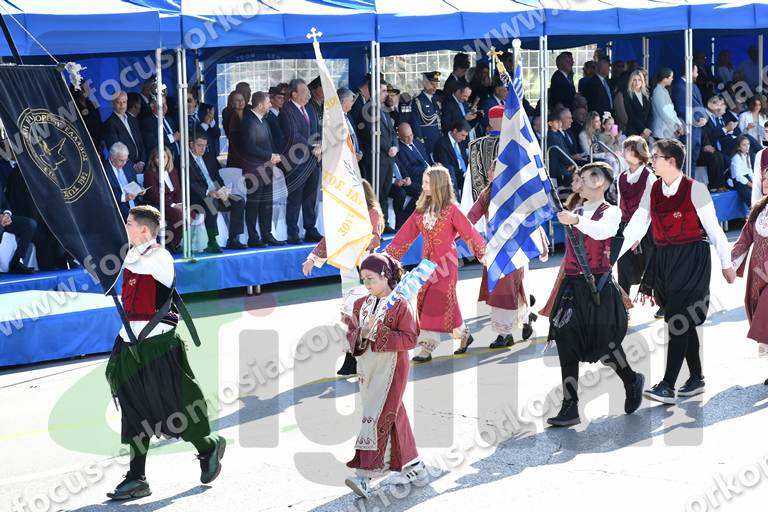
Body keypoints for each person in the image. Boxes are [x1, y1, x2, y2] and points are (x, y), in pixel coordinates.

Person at [104, 205, 225, 500]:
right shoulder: (132, 255)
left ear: (144, 229)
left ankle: (208, 446)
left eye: (129, 223)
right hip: (131, 344)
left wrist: (99, 248)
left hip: (158, 346)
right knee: (134, 410)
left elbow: (123, 262)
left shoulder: (158, 257)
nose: (125, 228)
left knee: (175, 407)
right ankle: (137, 477)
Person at [620, 139, 736, 404]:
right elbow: (638, 222)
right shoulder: (653, 189)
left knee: (677, 319)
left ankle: (667, 385)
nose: (652, 161)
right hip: (664, 259)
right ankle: (696, 378)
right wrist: (617, 253)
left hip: (692, 258)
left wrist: (726, 264)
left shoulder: (696, 190)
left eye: (656, 157)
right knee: (681, 319)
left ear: (671, 161)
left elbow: (714, 229)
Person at [547, 162, 645, 427]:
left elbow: (604, 231)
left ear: (603, 183)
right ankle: (570, 406)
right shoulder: (574, 211)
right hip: (572, 288)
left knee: (606, 347)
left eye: (590, 176)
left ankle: (631, 380)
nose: (581, 180)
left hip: (598, 288)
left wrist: (576, 220)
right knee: (566, 343)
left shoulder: (611, 211)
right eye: (580, 177)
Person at [342, 253, 427, 498]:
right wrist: (361, 333)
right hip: (367, 368)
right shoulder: (360, 304)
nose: (366, 283)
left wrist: (378, 333)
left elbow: (410, 338)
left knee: (376, 415)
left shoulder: (400, 304)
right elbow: (351, 334)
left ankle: (364, 475)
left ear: (385, 276)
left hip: (392, 368)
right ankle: (414, 465)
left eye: (371, 278)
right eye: (363, 279)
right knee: (392, 413)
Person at [384, 166, 486, 362]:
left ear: (438, 185)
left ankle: (427, 347)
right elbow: (405, 235)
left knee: (435, 301)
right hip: (426, 266)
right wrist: (388, 256)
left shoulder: (452, 210)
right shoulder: (420, 211)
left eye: (427, 183)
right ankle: (464, 334)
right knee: (440, 302)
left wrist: (482, 252)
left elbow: (469, 232)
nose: (423, 186)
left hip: (446, 264)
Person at [303, 180, 384, 376]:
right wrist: (312, 258)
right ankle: (354, 356)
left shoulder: (372, 212)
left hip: (365, 269)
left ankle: (355, 356)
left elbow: (375, 238)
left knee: (360, 313)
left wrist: (357, 237)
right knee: (350, 312)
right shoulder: (345, 214)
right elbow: (331, 238)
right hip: (348, 270)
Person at [465, 161, 548, 350]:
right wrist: (457, 232)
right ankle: (518, 324)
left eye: (492, 169)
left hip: (514, 250)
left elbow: (531, 218)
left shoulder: (517, 193)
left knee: (510, 290)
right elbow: (470, 218)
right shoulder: (486, 194)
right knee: (504, 291)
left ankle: (507, 332)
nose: (488, 171)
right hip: (495, 251)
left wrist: (540, 240)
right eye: (490, 168)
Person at [731, 182, 768, 384]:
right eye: (765, 179)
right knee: (762, 317)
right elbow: (745, 239)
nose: (766, 183)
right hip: (758, 274)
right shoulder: (758, 209)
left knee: (765, 314)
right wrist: (731, 263)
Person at [280, 78, 323, 244]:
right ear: (294, 94)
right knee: (295, 198)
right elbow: (293, 135)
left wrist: (319, 146)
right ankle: (293, 232)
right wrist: (312, 147)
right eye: (304, 92)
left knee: (310, 197)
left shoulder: (309, 109)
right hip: (295, 162)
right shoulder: (287, 111)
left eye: (307, 91)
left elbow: (316, 130)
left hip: (312, 161)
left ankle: (310, 228)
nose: (308, 94)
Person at [187, 133, 246, 253]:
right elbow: (190, 183)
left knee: (239, 201)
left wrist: (222, 190)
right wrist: (208, 192)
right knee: (212, 203)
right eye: (199, 145)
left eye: (205, 146)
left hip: (216, 193)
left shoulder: (208, 157)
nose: (203, 149)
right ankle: (212, 241)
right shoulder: (184, 161)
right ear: (191, 144)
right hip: (198, 198)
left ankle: (233, 239)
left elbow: (216, 177)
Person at [241, 91, 284, 248]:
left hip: (266, 169)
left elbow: (269, 142)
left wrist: (274, 155)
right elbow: (249, 147)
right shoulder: (248, 121)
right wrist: (270, 156)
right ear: (260, 105)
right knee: (254, 204)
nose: (270, 105)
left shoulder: (263, 120)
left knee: (266, 204)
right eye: (268, 103)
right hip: (254, 170)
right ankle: (253, 237)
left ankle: (267, 235)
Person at [616, 136, 656, 296]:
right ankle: (623, 304)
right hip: (625, 226)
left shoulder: (649, 176)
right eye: (625, 149)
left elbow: (650, 208)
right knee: (623, 269)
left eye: (628, 149)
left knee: (651, 268)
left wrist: (639, 233)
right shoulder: (621, 177)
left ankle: (663, 302)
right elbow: (620, 203)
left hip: (646, 229)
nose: (625, 152)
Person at [362, 81, 399, 224]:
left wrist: (395, 146)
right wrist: (388, 148)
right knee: (376, 193)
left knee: (384, 192)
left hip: (388, 158)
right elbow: (372, 134)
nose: (386, 94)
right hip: (377, 158)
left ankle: (384, 222)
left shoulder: (384, 109)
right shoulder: (368, 110)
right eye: (383, 91)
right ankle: (376, 223)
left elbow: (392, 132)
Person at [142, 146, 183, 252]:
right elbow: (155, 196)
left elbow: (178, 190)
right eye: (158, 158)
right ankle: (171, 244)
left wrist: (179, 203)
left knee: (190, 213)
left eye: (164, 157)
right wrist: (173, 205)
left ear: (168, 158)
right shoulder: (150, 174)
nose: (161, 160)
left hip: (171, 204)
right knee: (179, 216)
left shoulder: (173, 171)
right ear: (153, 159)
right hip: (158, 205)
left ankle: (174, 243)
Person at [392, 123, 430, 229]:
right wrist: (425, 170)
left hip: (427, 177)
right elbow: (409, 170)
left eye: (411, 135)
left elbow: (427, 159)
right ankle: (406, 219)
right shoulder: (400, 149)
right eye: (406, 137)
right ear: (400, 136)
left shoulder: (417, 143)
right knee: (425, 192)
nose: (410, 139)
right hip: (413, 180)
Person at [0, 177, 36, 274]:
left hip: (2, 219)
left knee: (29, 224)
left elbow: (4, 203)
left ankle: (16, 262)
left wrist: (7, 214)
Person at [103, 91, 146, 171]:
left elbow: (141, 143)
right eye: (118, 102)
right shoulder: (109, 124)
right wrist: (133, 166)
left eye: (124, 102)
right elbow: (115, 150)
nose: (122, 105)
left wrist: (142, 162)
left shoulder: (133, 120)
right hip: (125, 168)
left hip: (141, 166)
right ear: (112, 104)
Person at [105, 142, 144, 220]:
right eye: (121, 160)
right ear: (112, 158)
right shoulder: (104, 170)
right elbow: (105, 193)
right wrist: (124, 198)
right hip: (118, 207)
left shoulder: (128, 165)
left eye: (126, 160)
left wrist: (140, 189)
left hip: (136, 203)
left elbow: (134, 182)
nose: (124, 163)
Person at [432, 121, 470, 199]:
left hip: (466, 174)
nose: (464, 139)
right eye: (462, 135)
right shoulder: (441, 144)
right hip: (455, 177)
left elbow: (465, 159)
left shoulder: (460, 141)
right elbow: (447, 168)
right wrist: (464, 175)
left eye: (465, 136)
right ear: (455, 131)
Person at [410, 71, 442, 157]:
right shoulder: (418, 101)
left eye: (436, 84)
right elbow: (416, 123)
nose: (435, 87)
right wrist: (420, 141)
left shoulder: (436, 99)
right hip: (426, 139)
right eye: (432, 84)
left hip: (437, 138)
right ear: (425, 83)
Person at [650, 68, 683, 140]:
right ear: (665, 78)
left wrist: (678, 124)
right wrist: (675, 127)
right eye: (671, 77)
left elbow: (671, 111)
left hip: (667, 130)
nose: (672, 79)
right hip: (661, 131)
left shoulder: (664, 90)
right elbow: (663, 113)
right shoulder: (657, 91)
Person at [70, 81, 102, 150]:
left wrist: (100, 139)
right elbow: (76, 127)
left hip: (98, 143)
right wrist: (89, 138)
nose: (85, 91)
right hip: (84, 144)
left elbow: (99, 121)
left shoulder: (93, 103)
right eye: (82, 88)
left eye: (87, 88)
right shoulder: (72, 108)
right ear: (76, 91)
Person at [187, 92, 220, 156]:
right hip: (196, 156)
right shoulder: (180, 119)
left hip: (211, 154)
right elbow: (194, 137)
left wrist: (212, 121)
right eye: (183, 101)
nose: (186, 104)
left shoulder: (204, 113)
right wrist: (205, 124)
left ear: (195, 101)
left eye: (189, 101)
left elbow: (217, 134)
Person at [623, 70, 652, 139]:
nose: (637, 82)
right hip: (633, 130)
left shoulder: (646, 94)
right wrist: (643, 129)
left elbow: (649, 114)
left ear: (642, 81)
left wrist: (647, 129)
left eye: (639, 80)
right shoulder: (627, 94)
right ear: (631, 81)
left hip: (646, 132)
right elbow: (631, 115)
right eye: (634, 80)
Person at [224, 91, 247, 170]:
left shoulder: (248, 115)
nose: (241, 102)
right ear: (232, 103)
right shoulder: (231, 118)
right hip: (237, 157)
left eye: (242, 99)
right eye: (237, 100)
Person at [730, 135, 754, 208]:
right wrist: (751, 184)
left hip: (747, 179)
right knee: (751, 198)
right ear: (738, 147)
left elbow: (750, 171)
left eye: (748, 144)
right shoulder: (736, 158)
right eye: (744, 145)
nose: (747, 147)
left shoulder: (747, 156)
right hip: (739, 183)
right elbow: (738, 176)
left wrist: (755, 182)